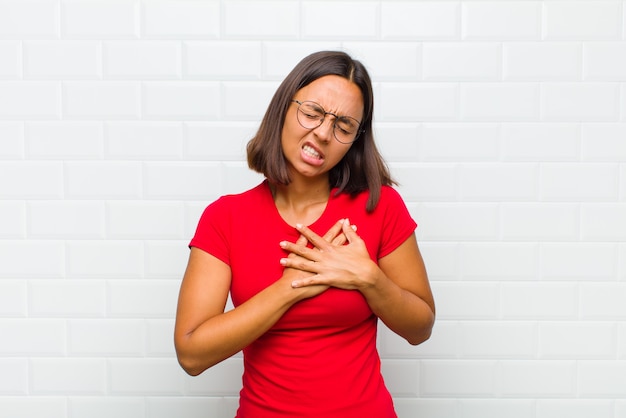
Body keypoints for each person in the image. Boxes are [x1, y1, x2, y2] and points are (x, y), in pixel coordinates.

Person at [174, 50, 435, 418]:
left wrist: (369, 278)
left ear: (354, 139)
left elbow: (420, 327)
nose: (324, 133)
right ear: (284, 107)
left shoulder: (381, 206)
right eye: (312, 113)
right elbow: (192, 354)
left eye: (343, 126)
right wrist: (288, 288)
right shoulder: (226, 218)